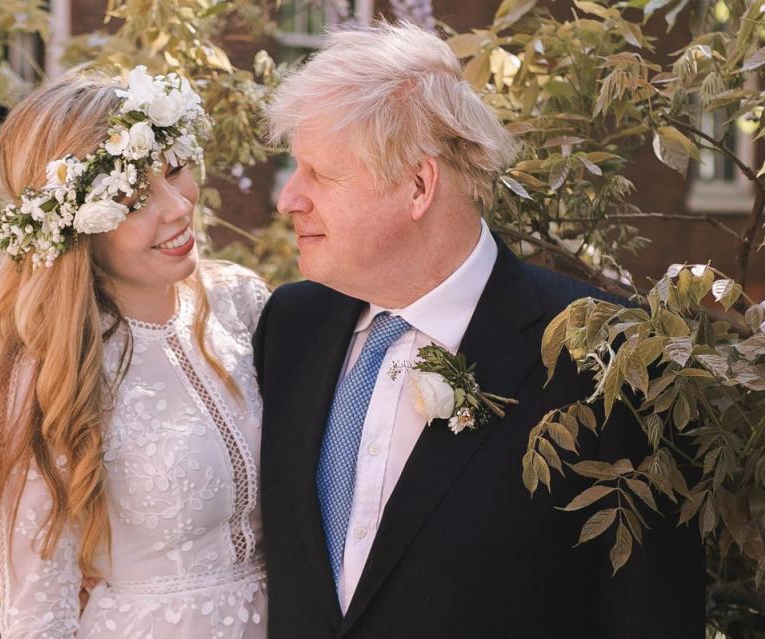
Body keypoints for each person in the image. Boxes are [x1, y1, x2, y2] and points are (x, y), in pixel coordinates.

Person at [254, 22, 705, 638]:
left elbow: (649, 612)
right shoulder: (289, 327)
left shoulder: (604, 354)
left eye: (319, 174)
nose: (289, 199)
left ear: (418, 184)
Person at [0, 66, 270, 638]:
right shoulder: (51, 374)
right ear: (75, 226)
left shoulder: (243, 303)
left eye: (176, 169)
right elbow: (39, 618)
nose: (178, 207)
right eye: (133, 199)